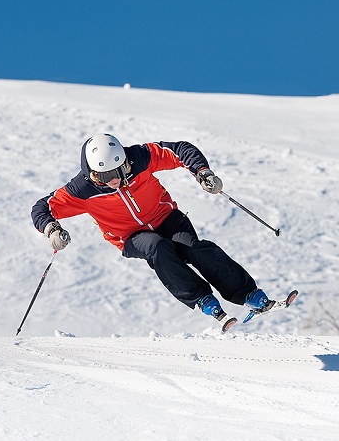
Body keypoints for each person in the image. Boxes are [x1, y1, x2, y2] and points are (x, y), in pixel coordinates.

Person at [31, 133, 275, 329]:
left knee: (194, 248)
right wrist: (51, 229)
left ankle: (248, 294)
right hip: (130, 237)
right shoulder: (82, 190)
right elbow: (42, 208)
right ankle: (201, 298)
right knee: (158, 248)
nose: (114, 180)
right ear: (91, 174)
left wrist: (202, 172)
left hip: (166, 217)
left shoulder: (141, 158)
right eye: (104, 176)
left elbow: (179, 150)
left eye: (118, 171)